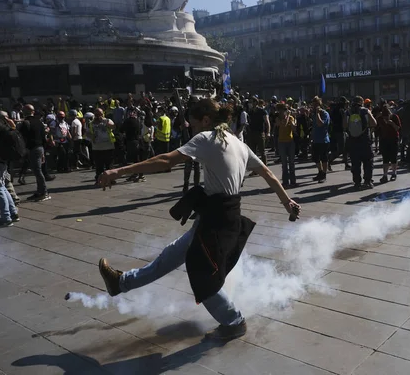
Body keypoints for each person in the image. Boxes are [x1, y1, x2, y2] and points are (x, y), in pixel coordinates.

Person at [96, 97, 301, 341]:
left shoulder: (207, 138)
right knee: (172, 255)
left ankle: (233, 321)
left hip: (217, 221)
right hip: (222, 216)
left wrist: (119, 171)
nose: (192, 130)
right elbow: (267, 173)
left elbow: (166, 160)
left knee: (202, 272)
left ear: (205, 120)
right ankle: (121, 283)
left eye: (193, 125)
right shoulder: (239, 143)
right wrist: (287, 202)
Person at [18, 105, 51, 202]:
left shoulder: (25, 123)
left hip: (31, 148)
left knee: (37, 171)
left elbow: (22, 139)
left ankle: (44, 192)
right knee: (37, 170)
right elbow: (43, 138)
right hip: (40, 148)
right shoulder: (39, 122)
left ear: (24, 112)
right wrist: (43, 152)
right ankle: (39, 191)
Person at [345, 96, 377, 189]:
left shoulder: (348, 112)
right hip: (365, 141)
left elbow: (344, 125)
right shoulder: (365, 111)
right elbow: (374, 123)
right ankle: (367, 181)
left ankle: (357, 182)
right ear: (361, 102)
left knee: (355, 163)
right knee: (368, 162)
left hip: (353, 141)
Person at [0, 114, 20, 227]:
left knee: (0, 189)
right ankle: (13, 213)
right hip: (4, 160)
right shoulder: (5, 127)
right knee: (3, 187)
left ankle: (6, 217)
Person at [88, 108, 116, 185]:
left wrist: (105, 122)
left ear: (102, 114)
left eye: (99, 114)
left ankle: (111, 179)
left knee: (109, 165)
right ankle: (99, 180)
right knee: (98, 166)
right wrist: (91, 136)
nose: (98, 116)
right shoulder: (91, 123)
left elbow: (113, 127)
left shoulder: (107, 120)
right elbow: (88, 133)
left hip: (108, 146)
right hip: (97, 147)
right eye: (96, 114)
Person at [377, 106, 401, 184]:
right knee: (385, 158)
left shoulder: (394, 117)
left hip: (393, 139)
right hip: (384, 139)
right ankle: (385, 175)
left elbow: (398, 128)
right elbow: (377, 128)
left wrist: (392, 123)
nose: (386, 118)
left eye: (387, 117)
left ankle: (394, 173)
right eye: (384, 117)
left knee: (393, 157)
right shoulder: (380, 119)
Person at [275, 103, 297, 187]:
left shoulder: (291, 118)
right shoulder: (278, 119)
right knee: (284, 163)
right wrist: (288, 116)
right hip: (281, 142)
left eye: (284, 110)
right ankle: (285, 182)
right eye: (281, 110)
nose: (282, 112)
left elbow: (294, 129)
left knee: (291, 162)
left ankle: (293, 181)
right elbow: (283, 124)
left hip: (290, 141)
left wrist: (293, 120)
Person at [311, 97, 331, 184]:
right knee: (315, 157)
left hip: (323, 140)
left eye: (316, 104)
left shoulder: (324, 114)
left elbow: (320, 124)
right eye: (313, 104)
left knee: (324, 158)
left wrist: (318, 113)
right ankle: (320, 172)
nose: (315, 106)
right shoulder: (314, 114)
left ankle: (324, 174)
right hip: (315, 139)